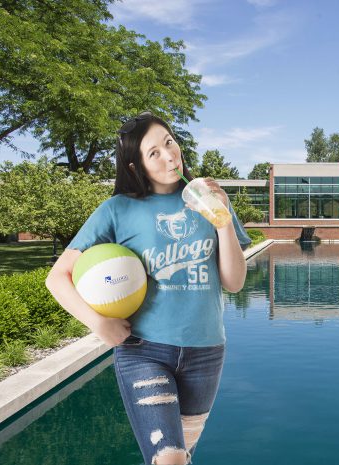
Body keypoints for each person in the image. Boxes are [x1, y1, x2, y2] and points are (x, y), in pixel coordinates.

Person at [45, 112, 252, 465]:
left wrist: (222, 220)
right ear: (136, 164)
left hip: (206, 352)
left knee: (182, 457)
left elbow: (234, 283)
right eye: (153, 152)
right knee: (169, 459)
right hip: (144, 351)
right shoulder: (118, 209)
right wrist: (98, 323)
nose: (169, 155)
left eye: (169, 142)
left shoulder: (210, 199)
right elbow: (57, 277)